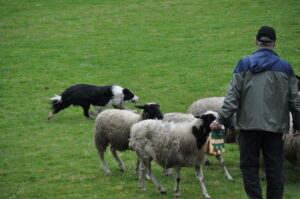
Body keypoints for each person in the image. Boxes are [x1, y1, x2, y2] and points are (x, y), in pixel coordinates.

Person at [210, 26, 300, 199]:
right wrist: (297, 124)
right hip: (274, 129)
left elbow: (232, 96)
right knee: (275, 168)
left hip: (248, 128)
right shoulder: (286, 68)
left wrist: (220, 119)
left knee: (249, 167)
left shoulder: (244, 64)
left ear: (256, 41)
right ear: (274, 43)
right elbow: (294, 101)